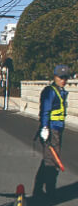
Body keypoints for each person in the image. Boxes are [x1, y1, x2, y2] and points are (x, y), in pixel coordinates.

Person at [32, 64, 70, 197]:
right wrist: (44, 128)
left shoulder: (61, 91)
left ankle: (38, 189)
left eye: (65, 77)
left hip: (58, 130)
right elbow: (45, 111)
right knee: (52, 161)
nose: (63, 80)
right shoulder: (50, 91)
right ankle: (50, 191)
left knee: (49, 159)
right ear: (55, 77)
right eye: (61, 77)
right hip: (51, 130)